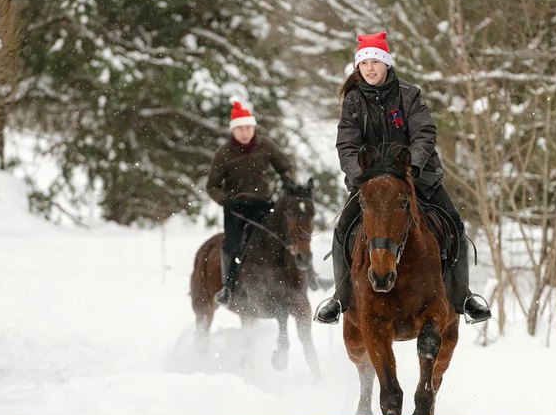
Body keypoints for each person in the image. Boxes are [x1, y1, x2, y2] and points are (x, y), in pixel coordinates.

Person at [314, 32, 491, 325]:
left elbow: (424, 133)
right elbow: (347, 145)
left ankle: (463, 296)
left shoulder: (409, 94)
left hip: (417, 178)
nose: (370, 68)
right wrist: (362, 177)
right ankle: (341, 298)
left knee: (455, 224)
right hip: (371, 185)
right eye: (364, 63)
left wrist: (413, 167)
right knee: (342, 230)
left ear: (386, 64)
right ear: (358, 67)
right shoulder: (353, 101)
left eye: (376, 61)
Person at [205, 99, 295, 305]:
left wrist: (288, 182)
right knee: (232, 244)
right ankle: (228, 286)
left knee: (288, 235)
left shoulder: (266, 145)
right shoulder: (223, 153)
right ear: (233, 131)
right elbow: (212, 186)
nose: (244, 132)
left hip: (264, 204)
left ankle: (307, 278)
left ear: (253, 127)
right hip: (236, 208)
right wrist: (225, 200)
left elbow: (285, 167)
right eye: (239, 129)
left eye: (247, 127)